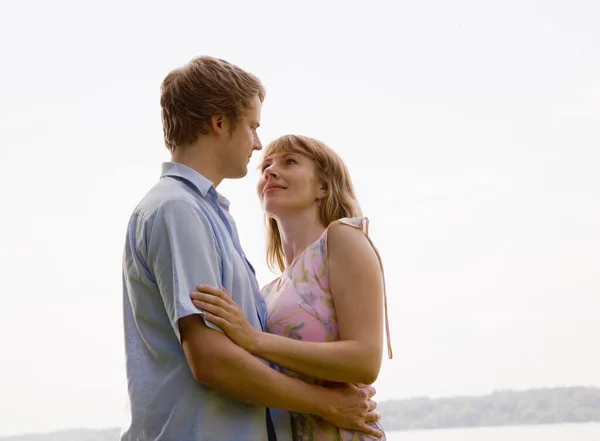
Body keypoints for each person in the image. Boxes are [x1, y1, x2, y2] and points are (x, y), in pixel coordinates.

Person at [121, 56, 382, 441]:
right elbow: (212, 360)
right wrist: (325, 404)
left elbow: (357, 358)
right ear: (220, 122)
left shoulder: (207, 214)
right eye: (253, 127)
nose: (258, 144)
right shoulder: (179, 209)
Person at [190, 134, 393, 441]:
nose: (270, 171)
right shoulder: (268, 291)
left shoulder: (341, 238)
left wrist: (253, 339)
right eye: (265, 166)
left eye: (290, 162)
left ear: (323, 186)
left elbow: (365, 361)